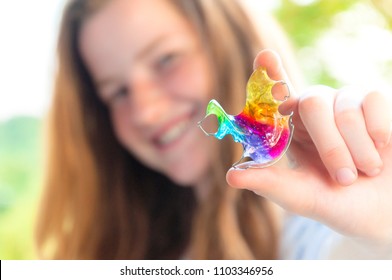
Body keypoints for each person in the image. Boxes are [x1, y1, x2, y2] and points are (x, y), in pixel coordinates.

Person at [36, 0, 392, 259]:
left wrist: (380, 234)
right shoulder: (119, 250)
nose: (146, 111)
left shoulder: (311, 226)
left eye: (166, 60)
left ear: (231, 43)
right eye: (117, 92)